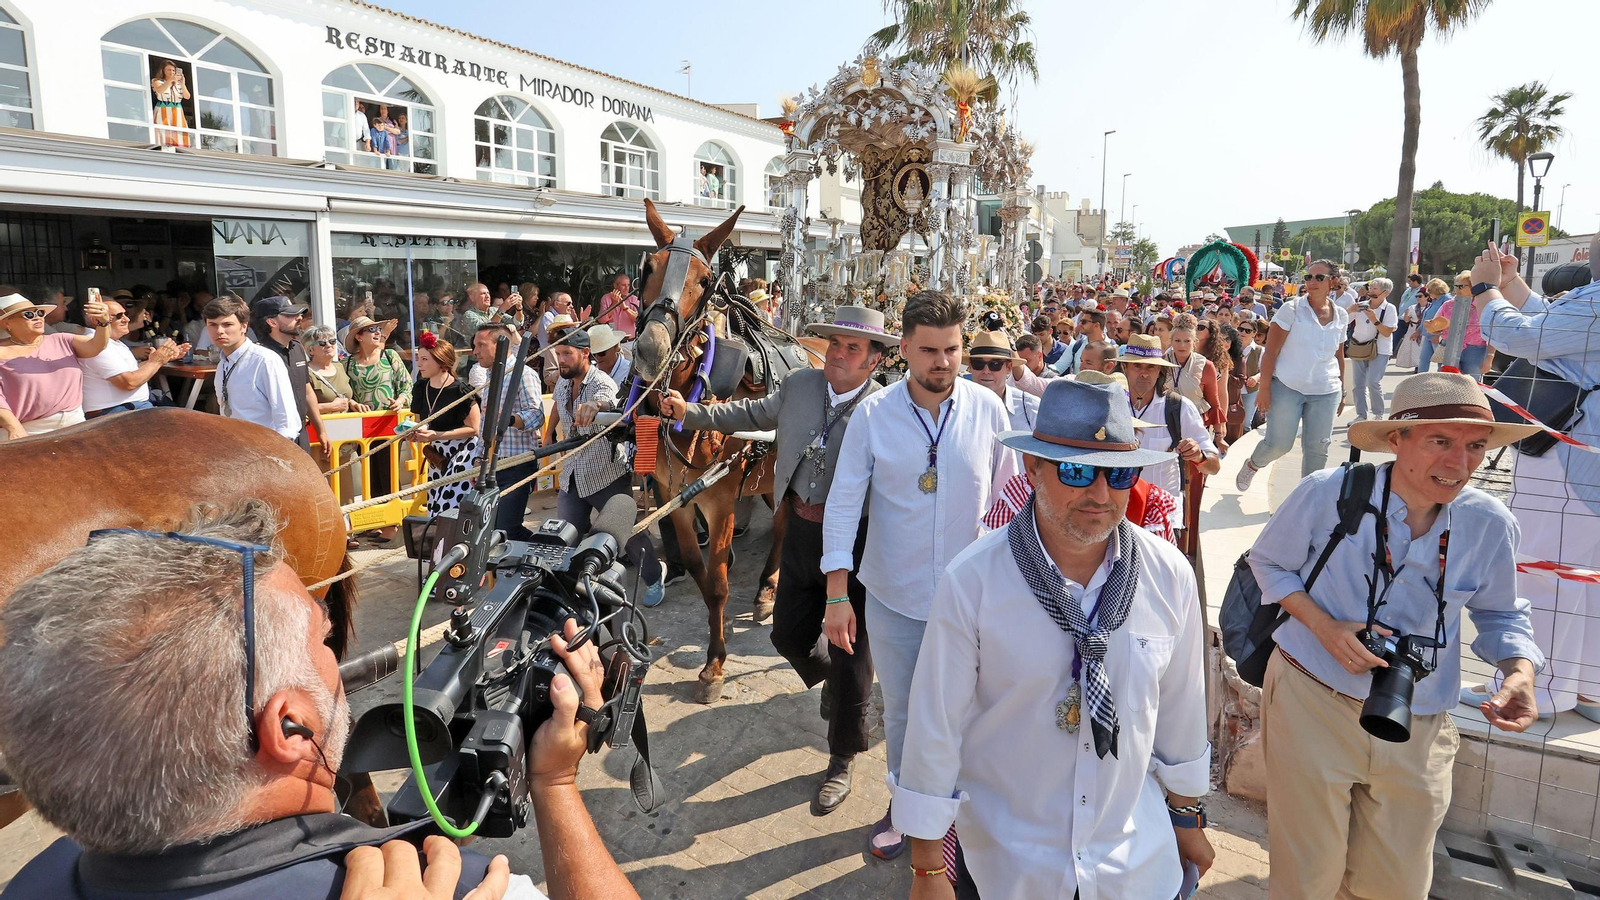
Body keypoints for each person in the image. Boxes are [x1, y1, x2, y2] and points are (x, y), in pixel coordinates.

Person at [0, 501, 636, 900]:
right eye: (324, 641)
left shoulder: (35, 879)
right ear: (290, 724)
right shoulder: (464, 890)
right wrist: (554, 781)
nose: (338, 658)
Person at [894, 378, 1211, 900]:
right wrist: (928, 867)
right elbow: (936, 726)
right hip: (1010, 864)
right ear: (1032, 468)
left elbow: (1180, 715)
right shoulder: (973, 581)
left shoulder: (1168, 576)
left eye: (1118, 474)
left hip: (1134, 862)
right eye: (1076, 470)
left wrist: (1187, 817)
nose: (1100, 495)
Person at [1248, 372, 1544, 900]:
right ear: (1395, 440)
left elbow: (1501, 614)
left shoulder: (1489, 524)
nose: (1459, 463)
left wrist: (1519, 672)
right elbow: (1268, 565)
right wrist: (1324, 626)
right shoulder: (1329, 493)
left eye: (1475, 446)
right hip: (1312, 696)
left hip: (1421, 715)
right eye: (1439, 442)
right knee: (1306, 875)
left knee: (1397, 884)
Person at [660, 305, 888, 817]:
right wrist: (689, 412)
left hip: (855, 544)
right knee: (786, 635)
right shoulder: (802, 385)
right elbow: (748, 414)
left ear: (875, 360)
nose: (839, 353)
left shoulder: (886, 408)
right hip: (800, 531)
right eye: (835, 342)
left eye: (853, 347)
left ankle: (843, 755)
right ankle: (837, 681)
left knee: (852, 654)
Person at [821, 291, 1017, 859]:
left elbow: (1010, 497)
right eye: (929, 350)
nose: (943, 362)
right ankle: (909, 810)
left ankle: (967, 810)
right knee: (904, 709)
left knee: (974, 706)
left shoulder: (989, 411)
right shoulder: (874, 415)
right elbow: (842, 502)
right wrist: (838, 594)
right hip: (894, 596)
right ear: (903, 348)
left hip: (972, 599)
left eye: (953, 349)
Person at [1465, 238, 1600, 719]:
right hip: (1589, 465)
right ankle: (1585, 688)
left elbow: (1522, 337)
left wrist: (1485, 289)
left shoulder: (1595, 302)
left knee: (1542, 570)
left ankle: (1532, 688)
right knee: (1586, 578)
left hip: (1569, 460)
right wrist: (1513, 284)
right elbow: (1559, 327)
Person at [549, 324, 664, 608]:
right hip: (573, 475)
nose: (560, 359)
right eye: (557, 353)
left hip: (606, 474)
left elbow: (614, 406)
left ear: (585, 354)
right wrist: (547, 435)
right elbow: (556, 406)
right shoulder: (564, 382)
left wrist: (597, 406)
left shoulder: (602, 382)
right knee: (565, 537)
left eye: (566, 353)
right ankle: (570, 593)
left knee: (628, 537)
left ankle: (655, 575)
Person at [1237, 259, 1350, 491]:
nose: (1312, 282)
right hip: (1288, 386)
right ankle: (1253, 464)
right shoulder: (1292, 309)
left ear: (1334, 281)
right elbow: (1270, 352)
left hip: (1326, 390)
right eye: (1309, 277)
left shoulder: (1341, 315)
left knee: (1318, 448)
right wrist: (1265, 388)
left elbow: (1338, 356)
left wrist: (1342, 388)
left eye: (1319, 277)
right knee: (1279, 444)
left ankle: (1307, 499)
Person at [1117, 335, 1221, 563]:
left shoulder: (1178, 408)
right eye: (1137, 366)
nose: (1144, 373)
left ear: (1159, 370)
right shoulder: (1111, 406)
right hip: (1116, 515)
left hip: (1163, 519)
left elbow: (1214, 465)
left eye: (1151, 367)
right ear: (1125, 367)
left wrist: (1198, 455)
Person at [469, 322, 547, 543]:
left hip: (517, 464)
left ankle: (546, 554)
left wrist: (510, 420)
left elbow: (536, 415)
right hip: (492, 463)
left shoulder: (524, 374)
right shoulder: (490, 376)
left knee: (506, 529)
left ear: (501, 346)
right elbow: (486, 423)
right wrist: (477, 459)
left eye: (481, 345)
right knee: (491, 528)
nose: (475, 352)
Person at [0, 289, 112, 438]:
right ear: (7, 322)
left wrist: (104, 322)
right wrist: (13, 427)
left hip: (75, 422)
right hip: (28, 430)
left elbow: (97, 345)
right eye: (28, 315)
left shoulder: (61, 339)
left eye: (40, 313)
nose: (37, 318)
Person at [408, 332, 481, 517]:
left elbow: (474, 429)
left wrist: (437, 435)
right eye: (418, 359)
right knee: (435, 507)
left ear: (441, 362)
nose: (419, 364)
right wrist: (415, 433)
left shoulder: (461, 391)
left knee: (450, 508)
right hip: (437, 456)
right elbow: (422, 423)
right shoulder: (420, 388)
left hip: (462, 454)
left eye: (424, 359)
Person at [206, 296, 297, 441]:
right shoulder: (222, 364)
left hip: (265, 451)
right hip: (234, 449)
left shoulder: (265, 360)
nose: (219, 331)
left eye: (227, 324)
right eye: (212, 325)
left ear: (244, 326)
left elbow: (287, 421)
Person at [81, 296, 187, 419]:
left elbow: (130, 371)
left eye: (125, 314)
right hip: (115, 413)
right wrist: (156, 361)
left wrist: (160, 359)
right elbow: (129, 382)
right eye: (119, 316)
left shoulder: (112, 342)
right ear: (96, 320)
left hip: (130, 408)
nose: (126, 319)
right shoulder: (96, 345)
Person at [253, 296, 328, 458]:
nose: (299, 318)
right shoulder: (259, 356)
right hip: (273, 437)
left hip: (301, 432)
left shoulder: (297, 348)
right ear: (271, 322)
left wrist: (321, 430)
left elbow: (307, 391)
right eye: (290, 315)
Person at [1345, 277, 1399, 422]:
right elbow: (1342, 321)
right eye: (1371, 288)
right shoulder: (1361, 305)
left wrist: (1374, 319)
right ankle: (1361, 415)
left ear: (1385, 292)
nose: (1371, 291)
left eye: (1375, 289)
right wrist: (1349, 310)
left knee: (1373, 381)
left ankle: (1378, 414)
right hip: (1359, 348)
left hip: (1380, 349)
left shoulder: (1389, 309)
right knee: (1358, 384)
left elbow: (1387, 332)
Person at [964, 330, 1039, 432]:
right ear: (970, 366)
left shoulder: (1030, 407)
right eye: (978, 364)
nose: (986, 371)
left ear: (1009, 367)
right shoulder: (957, 407)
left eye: (995, 364)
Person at [1433, 273, 1495, 378]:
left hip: (1475, 351)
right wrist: (1433, 327)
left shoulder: (1484, 307)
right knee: (1446, 382)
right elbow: (1435, 328)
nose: (1457, 289)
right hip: (1448, 346)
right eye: (1456, 286)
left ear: (1473, 287)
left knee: (1471, 384)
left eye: (1461, 286)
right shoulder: (1447, 305)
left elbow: (1493, 335)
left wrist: (1489, 358)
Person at [1413, 276, 1458, 373]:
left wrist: (1438, 335)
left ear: (1435, 289)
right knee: (1423, 360)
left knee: (1440, 361)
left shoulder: (1447, 300)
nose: (1427, 292)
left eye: (1429, 290)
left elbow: (1446, 320)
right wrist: (1418, 330)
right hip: (1428, 334)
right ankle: (1420, 381)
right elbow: (1427, 317)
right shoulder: (1434, 300)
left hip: (1438, 336)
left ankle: (1440, 382)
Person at [583, 273, 639, 339]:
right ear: (615, 285)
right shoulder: (606, 298)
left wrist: (625, 308)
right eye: (623, 285)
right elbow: (601, 320)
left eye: (628, 285)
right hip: (612, 341)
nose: (627, 288)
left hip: (629, 340)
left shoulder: (634, 299)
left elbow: (638, 320)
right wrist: (614, 304)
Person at [150, 59, 190, 147]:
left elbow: (187, 96)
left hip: (177, 110)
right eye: (169, 70)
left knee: (179, 134)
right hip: (163, 109)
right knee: (162, 133)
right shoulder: (156, 81)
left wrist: (182, 83)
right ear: (163, 70)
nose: (171, 72)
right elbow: (160, 90)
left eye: (173, 70)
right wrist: (170, 80)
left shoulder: (179, 84)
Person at [1238, 319, 1266, 432]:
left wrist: (1256, 377)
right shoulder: (1231, 347)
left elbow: (1265, 370)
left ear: (1254, 333)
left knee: (1245, 423)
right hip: (1232, 390)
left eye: (1248, 331)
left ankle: (1243, 447)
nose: (1243, 332)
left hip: (1250, 391)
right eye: (1241, 329)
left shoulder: (1260, 350)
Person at [589, 324, 631, 390]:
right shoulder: (590, 374)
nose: (597, 358)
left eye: (601, 352)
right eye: (593, 355)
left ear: (616, 347)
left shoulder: (630, 371)